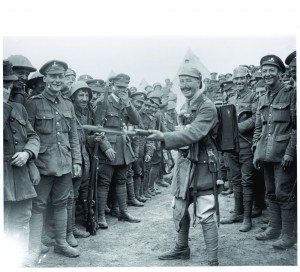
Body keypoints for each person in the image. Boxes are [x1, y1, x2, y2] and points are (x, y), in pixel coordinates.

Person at [148, 66, 219, 266]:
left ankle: (213, 261)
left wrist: (164, 137)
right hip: (185, 163)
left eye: (189, 80)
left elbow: (194, 133)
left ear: (199, 81)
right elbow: (184, 134)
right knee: (178, 205)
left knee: (205, 211)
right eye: (182, 80)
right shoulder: (185, 106)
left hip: (204, 164)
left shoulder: (206, 106)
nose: (184, 85)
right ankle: (181, 248)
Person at [25, 60, 82, 263]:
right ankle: (34, 247)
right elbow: (28, 135)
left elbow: (73, 135)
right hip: (42, 164)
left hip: (65, 163)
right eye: (53, 76)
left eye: (61, 76)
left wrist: (77, 160)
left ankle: (61, 243)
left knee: (61, 203)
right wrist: (31, 164)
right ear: (46, 78)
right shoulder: (33, 103)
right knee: (38, 206)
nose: (57, 80)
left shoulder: (68, 104)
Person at [253, 55, 296, 249]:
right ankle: (274, 228)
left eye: (271, 70)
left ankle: (288, 235)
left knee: (284, 192)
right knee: (271, 192)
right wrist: (256, 151)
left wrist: (290, 152)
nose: (267, 74)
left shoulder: (291, 94)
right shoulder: (262, 97)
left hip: (283, 153)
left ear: (280, 73)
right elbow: (258, 128)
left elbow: (296, 126)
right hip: (266, 153)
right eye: (264, 71)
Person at [3, 60, 41, 265]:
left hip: (21, 176)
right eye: (3, 84)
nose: (7, 89)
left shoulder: (19, 108)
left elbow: (34, 136)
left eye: (8, 85)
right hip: (3, 178)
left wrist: (28, 153)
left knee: (22, 219)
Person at [94, 73, 141, 229]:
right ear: (112, 85)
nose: (122, 90)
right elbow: (97, 127)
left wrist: (128, 103)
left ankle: (123, 212)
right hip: (108, 148)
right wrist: (105, 146)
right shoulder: (102, 102)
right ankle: (100, 216)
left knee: (121, 180)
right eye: (119, 87)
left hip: (123, 148)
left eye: (125, 88)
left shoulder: (124, 103)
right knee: (104, 182)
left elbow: (137, 121)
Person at [220, 66, 258, 232]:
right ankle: (237, 212)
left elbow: (257, 117)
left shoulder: (254, 96)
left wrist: (238, 127)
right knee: (235, 178)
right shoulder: (230, 97)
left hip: (246, 142)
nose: (239, 82)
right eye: (236, 79)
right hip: (231, 144)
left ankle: (247, 218)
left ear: (248, 79)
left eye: (242, 78)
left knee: (247, 179)